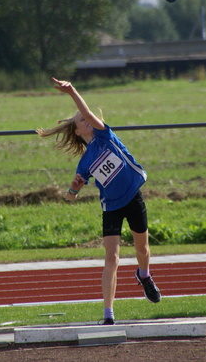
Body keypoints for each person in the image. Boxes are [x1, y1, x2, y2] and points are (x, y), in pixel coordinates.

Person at [37, 78, 161, 325]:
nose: (86, 120)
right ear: (77, 131)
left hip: (133, 197)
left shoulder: (105, 135)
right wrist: (72, 190)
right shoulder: (84, 163)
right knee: (111, 258)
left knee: (142, 249)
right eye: (81, 121)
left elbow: (87, 111)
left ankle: (144, 275)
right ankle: (108, 314)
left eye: (86, 118)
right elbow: (70, 198)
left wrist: (72, 90)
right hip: (111, 206)